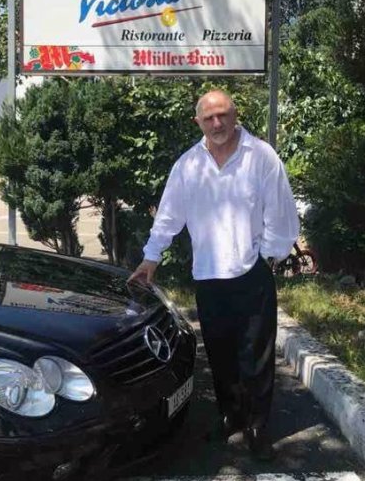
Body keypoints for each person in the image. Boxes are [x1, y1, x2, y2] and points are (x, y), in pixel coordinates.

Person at [128, 89, 299, 460]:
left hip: (251, 272)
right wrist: (151, 258)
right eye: (209, 118)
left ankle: (257, 427)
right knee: (220, 353)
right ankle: (230, 416)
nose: (217, 123)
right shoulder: (188, 166)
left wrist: (268, 257)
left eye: (223, 115)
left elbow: (281, 212)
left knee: (256, 355)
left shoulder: (261, 157)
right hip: (208, 275)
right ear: (198, 122)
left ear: (235, 115)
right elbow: (168, 217)